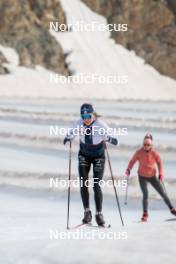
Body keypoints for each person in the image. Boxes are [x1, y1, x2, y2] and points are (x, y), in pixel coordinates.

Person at [63, 103, 118, 226]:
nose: (86, 119)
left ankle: (99, 214)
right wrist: (68, 137)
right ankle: (87, 212)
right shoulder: (77, 123)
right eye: (83, 116)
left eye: (88, 115)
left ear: (93, 114)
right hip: (84, 155)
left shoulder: (101, 125)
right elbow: (66, 138)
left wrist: (108, 138)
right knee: (83, 182)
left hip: (98, 156)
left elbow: (116, 141)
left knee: (96, 185)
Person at [125, 133, 176, 221]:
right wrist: (128, 169)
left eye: (148, 145)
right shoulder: (139, 152)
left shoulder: (154, 153)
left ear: (151, 145)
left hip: (152, 176)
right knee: (145, 195)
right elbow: (132, 161)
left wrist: (161, 173)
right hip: (142, 177)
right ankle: (145, 214)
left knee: (163, 193)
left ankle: (172, 209)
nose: (146, 146)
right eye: (144, 144)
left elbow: (159, 162)